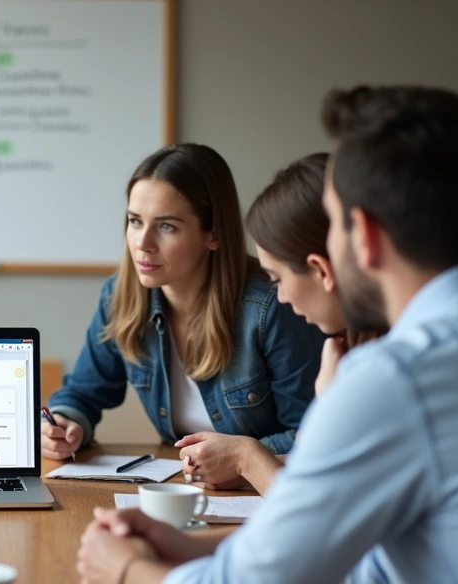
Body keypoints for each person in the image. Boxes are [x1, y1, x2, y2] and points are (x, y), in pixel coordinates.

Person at [77, 86, 458, 584]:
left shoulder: (396, 379)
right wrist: (187, 546)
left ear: (363, 237)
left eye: (331, 219)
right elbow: (373, 556)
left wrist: (126, 570)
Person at [44, 143, 324, 477]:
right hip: (181, 485)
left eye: (166, 226)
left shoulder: (271, 307)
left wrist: (241, 458)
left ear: (213, 234)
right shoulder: (120, 296)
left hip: (267, 495)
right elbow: (83, 392)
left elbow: (314, 437)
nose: (142, 243)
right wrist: (64, 424)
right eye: (135, 221)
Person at [174, 153, 381, 493]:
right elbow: (323, 473)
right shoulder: (347, 353)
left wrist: (246, 456)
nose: (281, 296)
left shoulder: (378, 369)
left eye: (277, 277)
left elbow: (318, 511)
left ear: (322, 270)